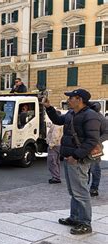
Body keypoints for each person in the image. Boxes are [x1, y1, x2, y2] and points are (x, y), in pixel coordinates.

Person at [44, 89, 101, 235]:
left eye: (71, 98)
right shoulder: (70, 114)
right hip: (70, 157)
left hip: (78, 160)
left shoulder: (91, 116)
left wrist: (76, 156)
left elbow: (92, 140)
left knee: (81, 192)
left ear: (79, 99)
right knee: (74, 191)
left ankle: (85, 223)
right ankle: (75, 217)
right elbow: (58, 120)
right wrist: (49, 108)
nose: (68, 100)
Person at [46, 107, 64, 184]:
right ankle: (57, 176)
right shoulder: (59, 124)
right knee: (56, 161)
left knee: (52, 161)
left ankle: (56, 177)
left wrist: (51, 145)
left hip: (55, 145)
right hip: (59, 145)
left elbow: (55, 136)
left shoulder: (57, 125)